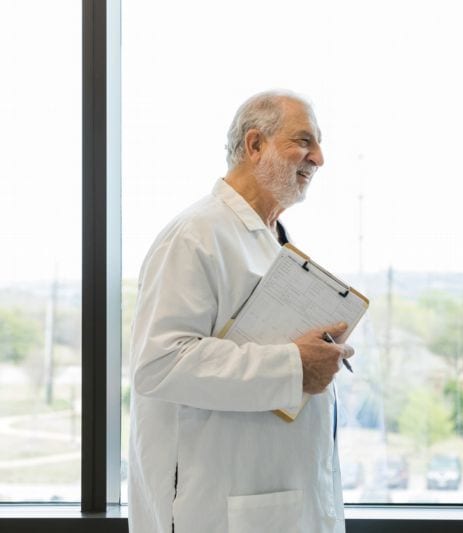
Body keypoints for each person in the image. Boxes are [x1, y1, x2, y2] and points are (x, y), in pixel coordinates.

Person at [128, 90, 354, 533]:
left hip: (278, 499)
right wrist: (294, 366)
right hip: (217, 507)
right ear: (255, 145)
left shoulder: (272, 239)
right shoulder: (195, 236)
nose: (319, 158)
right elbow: (159, 364)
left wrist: (319, 353)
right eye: (304, 141)